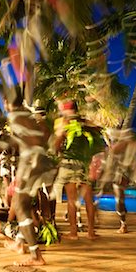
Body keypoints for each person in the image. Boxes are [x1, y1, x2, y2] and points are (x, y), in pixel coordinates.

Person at [2, 94, 58, 266]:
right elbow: (48, 141)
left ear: (8, 102)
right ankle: (20, 243)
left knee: (19, 206)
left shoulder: (17, 117)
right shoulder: (32, 119)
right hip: (41, 163)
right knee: (24, 205)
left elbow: (27, 142)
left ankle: (36, 256)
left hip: (31, 165)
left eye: (5, 100)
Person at [52, 99, 104, 240]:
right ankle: (91, 232)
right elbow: (99, 142)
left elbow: (56, 145)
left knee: (71, 199)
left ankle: (74, 233)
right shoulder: (86, 123)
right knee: (88, 199)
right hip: (85, 164)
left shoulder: (64, 123)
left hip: (68, 164)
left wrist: (56, 151)